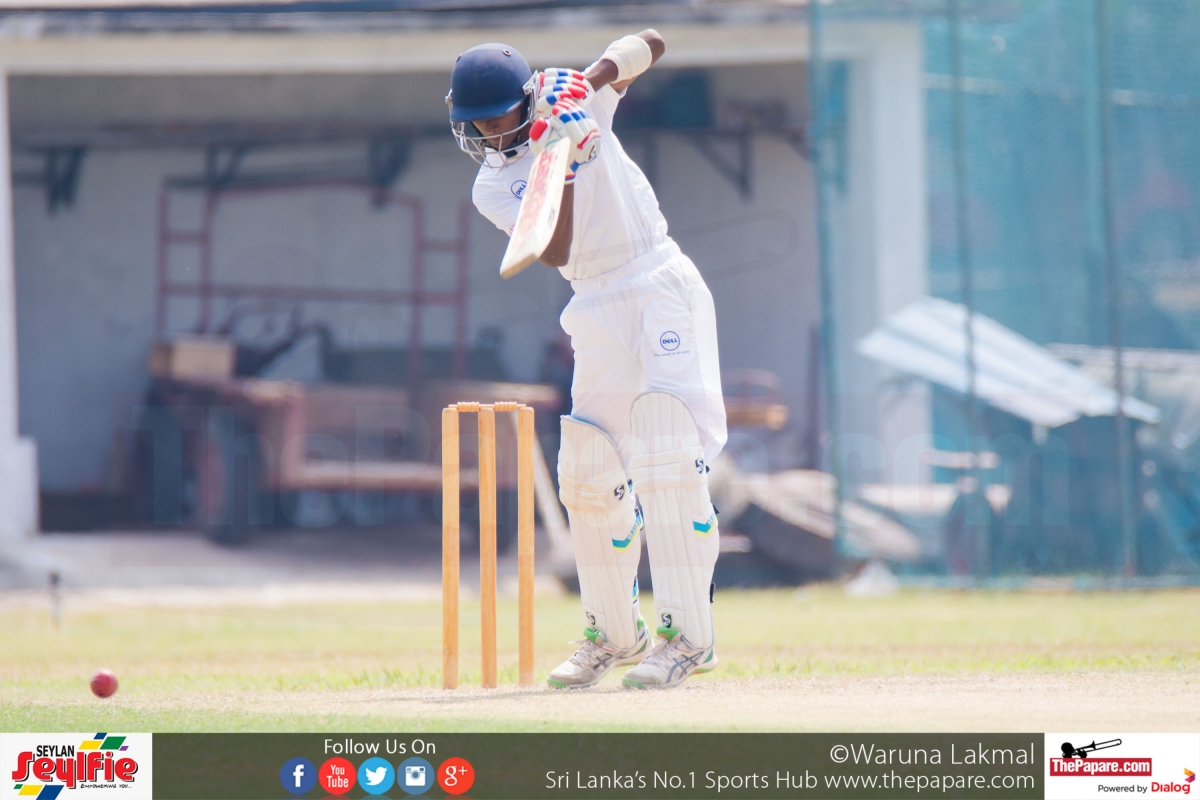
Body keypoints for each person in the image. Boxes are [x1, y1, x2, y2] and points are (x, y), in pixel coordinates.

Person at [446, 31, 727, 690]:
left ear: (524, 99)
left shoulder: (570, 100)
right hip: (592, 298)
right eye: (477, 123)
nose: (488, 132)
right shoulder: (493, 186)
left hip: (657, 280)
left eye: (497, 117)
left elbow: (651, 42)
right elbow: (554, 248)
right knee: (588, 467)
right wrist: (564, 161)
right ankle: (614, 634)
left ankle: (688, 639)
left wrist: (589, 78)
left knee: (669, 453)